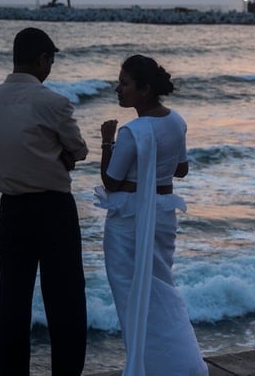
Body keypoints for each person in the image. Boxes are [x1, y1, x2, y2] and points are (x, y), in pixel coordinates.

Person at [0, 27, 89, 375]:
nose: (50, 69)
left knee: (12, 299)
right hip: (54, 209)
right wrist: (59, 156)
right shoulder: (53, 102)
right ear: (43, 59)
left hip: (11, 210)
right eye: (50, 62)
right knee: (65, 299)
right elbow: (79, 150)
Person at [97, 55, 208, 376]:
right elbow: (182, 169)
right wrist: (154, 165)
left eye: (125, 84)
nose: (118, 89)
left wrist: (107, 140)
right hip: (163, 213)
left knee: (132, 293)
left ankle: (147, 364)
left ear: (144, 90)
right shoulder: (176, 121)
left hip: (131, 218)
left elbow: (111, 180)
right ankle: (175, 362)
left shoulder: (133, 132)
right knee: (160, 285)